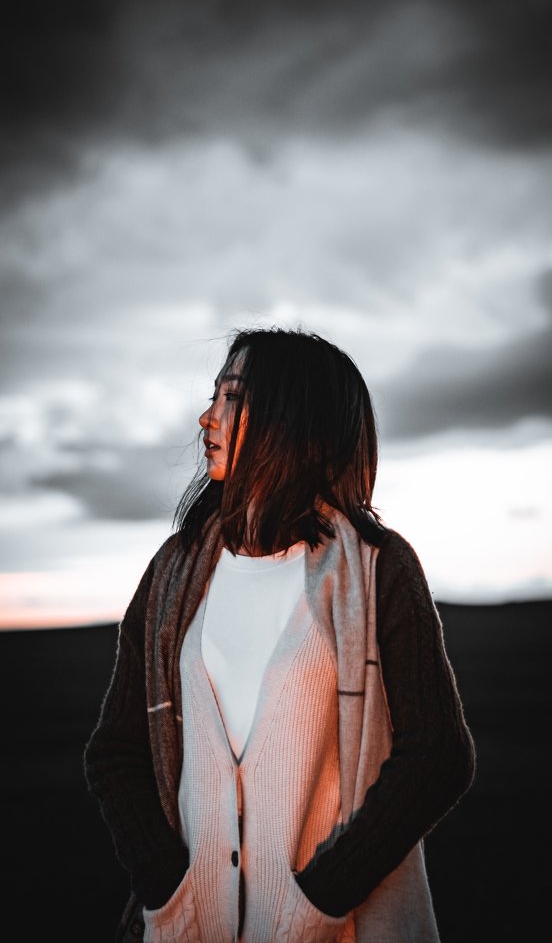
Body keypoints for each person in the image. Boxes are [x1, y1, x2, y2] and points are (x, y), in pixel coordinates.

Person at [84, 326, 476, 943]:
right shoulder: (172, 573)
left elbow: (438, 756)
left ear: (291, 417)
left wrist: (321, 897)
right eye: (213, 395)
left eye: (230, 397)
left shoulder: (379, 568)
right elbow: (114, 752)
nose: (205, 418)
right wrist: (165, 886)